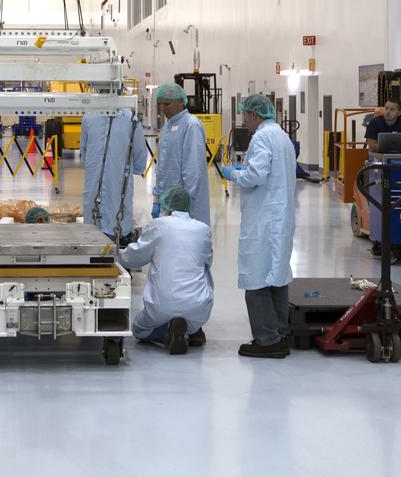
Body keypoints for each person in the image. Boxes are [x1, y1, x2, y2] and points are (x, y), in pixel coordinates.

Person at [220, 93, 298, 358]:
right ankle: (281, 334)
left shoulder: (262, 137)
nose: (245, 122)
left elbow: (255, 175)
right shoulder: (282, 136)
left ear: (254, 114)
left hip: (264, 218)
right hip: (279, 216)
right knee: (277, 275)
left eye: (245, 116)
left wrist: (234, 173)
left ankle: (267, 340)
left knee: (256, 276)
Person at [118, 187, 214, 354]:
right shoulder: (203, 229)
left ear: (166, 205)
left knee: (139, 329)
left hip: (162, 305)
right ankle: (190, 331)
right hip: (199, 307)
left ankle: (168, 332)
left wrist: (116, 253)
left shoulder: (159, 225)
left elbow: (134, 258)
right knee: (201, 269)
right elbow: (208, 261)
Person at [80, 106, 149, 242]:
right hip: (95, 178)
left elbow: (139, 151)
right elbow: (84, 149)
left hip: (118, 179)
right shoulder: (89, 117)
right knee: (94, 215)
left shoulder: (130, 119)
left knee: (117, 211)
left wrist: (134, 169)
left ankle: (119, 237)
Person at [153, 81, 211, 225]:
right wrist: (157, 199)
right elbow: (161, 168)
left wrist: (185, 203)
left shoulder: (191, 126)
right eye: (160, 104)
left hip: (185, 206)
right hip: (168, 202)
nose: (163, 108)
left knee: (186, 237)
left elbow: (193, 170)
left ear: (180, 102)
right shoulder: (167, 127)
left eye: (167, 104)